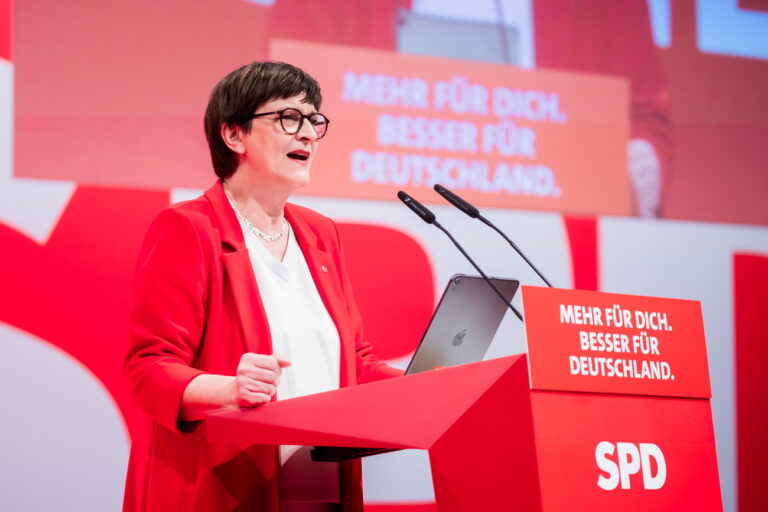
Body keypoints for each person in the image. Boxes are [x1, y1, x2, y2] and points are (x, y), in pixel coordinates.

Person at [123, 61, 402, 512]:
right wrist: (230, 390)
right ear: (234, 135)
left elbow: (353, 364)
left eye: (313, 120)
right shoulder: (189, 228)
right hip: (229, 488)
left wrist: (425, 387)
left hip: (326, 486)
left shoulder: (321, 234)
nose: (309, 133)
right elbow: (149, 368)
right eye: (288, 118)